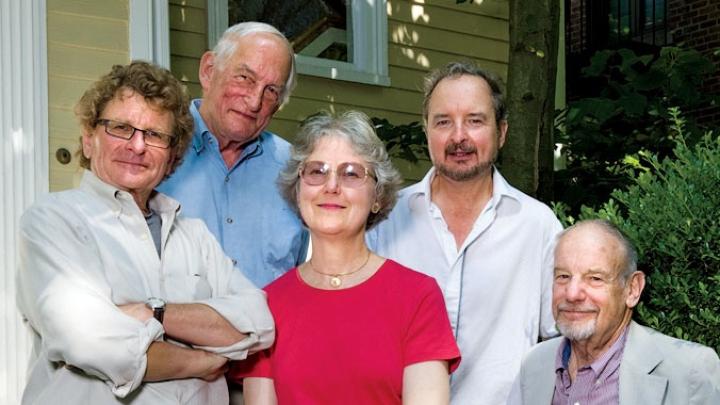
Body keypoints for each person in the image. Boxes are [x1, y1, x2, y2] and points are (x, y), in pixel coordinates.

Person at [16, 61, 274, 404]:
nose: (137, 146)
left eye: (154, 135)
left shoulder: (193, 235)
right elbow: (90, 340)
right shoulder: (53, 221)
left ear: (171, 157)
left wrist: (154, 313)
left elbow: (256, 323)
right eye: (121, 127)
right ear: (89, 139)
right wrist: (204, 359)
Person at [231, 111, 461, 404]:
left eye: (351, 173)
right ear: (298, 190)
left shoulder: (417, 297)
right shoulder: (268, 306)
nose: (331, 186)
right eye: (317, 171)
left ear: (377, 196)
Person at [367, 60, 563, 404]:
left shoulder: (538, 227)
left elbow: (564, 341)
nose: (459, 137)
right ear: (426, 130)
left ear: (501, 132)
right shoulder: (385, 219)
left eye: (475, 121)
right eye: (444, 122)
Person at [157, 22, 308, 288]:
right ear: (208, 71)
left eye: (271, 91)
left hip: (269, 329)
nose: (254, 102)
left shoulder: (297, 171)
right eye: (245, 78)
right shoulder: (153, 148)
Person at [508, 219, 720, 405]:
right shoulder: (535, 364)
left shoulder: (690, 371)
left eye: (595, 279)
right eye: (563, 276)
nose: (572, 294)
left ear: (632, 289)